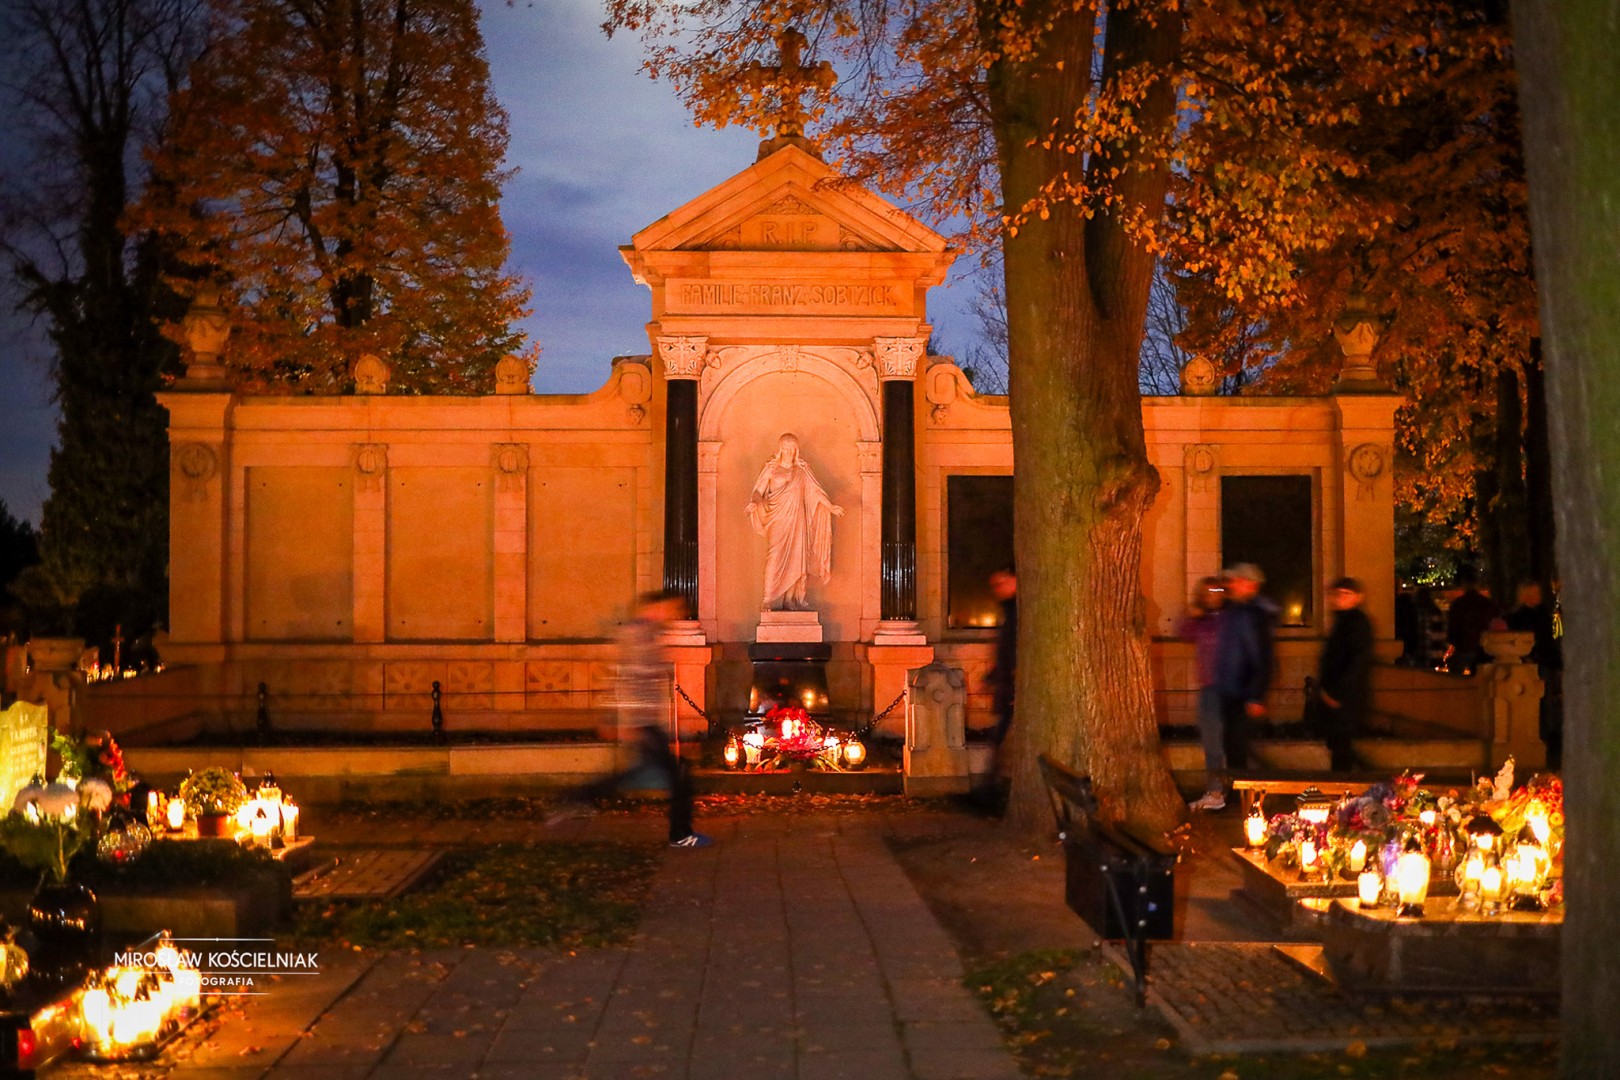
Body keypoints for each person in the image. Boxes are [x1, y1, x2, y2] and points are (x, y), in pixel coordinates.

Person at [550, 590, 711, 848]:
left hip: (645, 721)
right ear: (657, 607)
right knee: (677, 776)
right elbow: (628, 681)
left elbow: (624, 679)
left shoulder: (646, 634)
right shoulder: (639, 636)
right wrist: (627, 722)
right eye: (672, 609)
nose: (674, 615)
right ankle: (681, 835)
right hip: (642, 722)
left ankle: (578, 796)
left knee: (643, 773)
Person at [745, 433, 845, 611]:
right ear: (780, 449)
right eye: (785, 448)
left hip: (797, 520)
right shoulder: (771, 469)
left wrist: (830, 507)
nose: (789, 452)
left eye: (792, 449)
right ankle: (768, 599)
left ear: (796, 450)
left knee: (797, 559)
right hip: (777, 518)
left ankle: (791, 599)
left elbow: (816, 492)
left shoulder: (801, 471)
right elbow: (757, 491)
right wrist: (756, 502)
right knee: (774, 556)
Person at [1213, 563, 1274, 777]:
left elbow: (1261, 656)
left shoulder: (1252, 614)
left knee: (1238, 746)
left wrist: (1256, 695)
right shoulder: (1234, 611)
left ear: (1250, 585)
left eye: (1236, 580)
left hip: (1241, 691)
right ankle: (1238, 788)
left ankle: (1244, 794)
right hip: (1230, 690)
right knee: (1233, 745)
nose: (1231, 584)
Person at [1316, 577, 1375, 773]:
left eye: (1346, 594)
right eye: (1337, 594)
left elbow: (1356, 662)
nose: (1340, 598)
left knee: (1342, 749)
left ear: (1357, 598)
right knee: (1339, 747)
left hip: (1345, 698)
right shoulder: (1342, 622)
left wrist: (1337, 693)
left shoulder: (1357, 623)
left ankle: (1344, 792)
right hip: (1337, 696)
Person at [1180, 577, 1228, 811]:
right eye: (1208, 591)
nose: (1213, 595)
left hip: (1229, 688)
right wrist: (1193, 614)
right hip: (1210, 688)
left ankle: (1223, 790)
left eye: (1218, 590)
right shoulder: (1203, 620)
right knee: (1212, 742)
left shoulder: (1230, 618)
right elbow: (1184, 632)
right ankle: (1216, 790)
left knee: (1225, 742)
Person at [1506, 579, 1563, 762]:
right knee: (1540, 703)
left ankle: (1547, 737)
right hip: (1534, 663)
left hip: (1543, 662)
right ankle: (1542, 737)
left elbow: (1548, 641)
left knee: (1546, 702)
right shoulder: (1523, 616)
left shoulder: (1540, 614)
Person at [1444, 568, 1498, 674]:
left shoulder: (1458, 604)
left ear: (1464, 584)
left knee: (1454, 676)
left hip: (1464, 647)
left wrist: (1454, 642)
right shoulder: (1487, 604)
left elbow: (1452, 627)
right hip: (1483, 648)